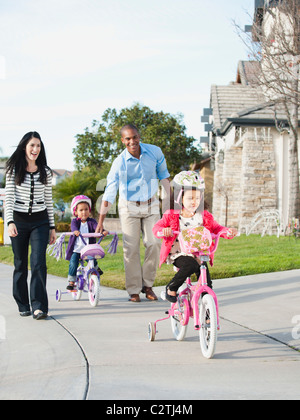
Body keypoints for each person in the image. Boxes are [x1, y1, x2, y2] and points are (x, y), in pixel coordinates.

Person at [96, 124, 172, 302]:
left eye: (135, 137)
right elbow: (109, 193)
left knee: (154, 243)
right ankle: (134, 290)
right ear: (122, 141)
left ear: (139, 136)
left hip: (151, 204)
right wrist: (101, 222)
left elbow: (164, 177)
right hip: (128, 206)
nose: (132, 141)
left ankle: (148, 285)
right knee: (131, 249)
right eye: (128, 139)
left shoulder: (154, 152)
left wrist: (168, 209)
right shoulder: (119, 163)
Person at [152, 171, 238, 303]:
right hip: (179, 253)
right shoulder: (171, 214)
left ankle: (209, 315)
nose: (194, 202)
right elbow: (156, 228)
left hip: (199, 253)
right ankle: (171, 287)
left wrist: (228, 231)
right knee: (190, 265)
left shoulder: (204, 215)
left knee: (206, 283)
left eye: (197, 198)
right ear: (180, 198)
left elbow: (216, 228)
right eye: (190, 198)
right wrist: (164, 231)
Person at [5, 131, 57, 320]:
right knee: (20, 264)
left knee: (38, 263)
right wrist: (10, 222)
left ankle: (39, 306)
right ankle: (22, 303)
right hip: (18, 221)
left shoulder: (46, 172)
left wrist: (52, 227)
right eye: (32, 145)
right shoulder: (14, 170)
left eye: (38, 146)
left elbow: (49, 201)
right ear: (25, 147)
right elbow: (9, 199)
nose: (35, 149)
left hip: (40, 222)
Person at [65, 195, 101, 290]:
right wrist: (75, 231)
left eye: (86, 209)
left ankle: (95, 268)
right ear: (76, 212)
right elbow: (73, 227)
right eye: (81, 210)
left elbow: (97, 228)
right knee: (73, 262)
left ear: (89, 210)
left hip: (88, 248)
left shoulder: (92, 221)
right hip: (77, 249)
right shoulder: (75, 221)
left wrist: (102, 231)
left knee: (92, 258)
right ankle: (72, 281)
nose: (84, 212)